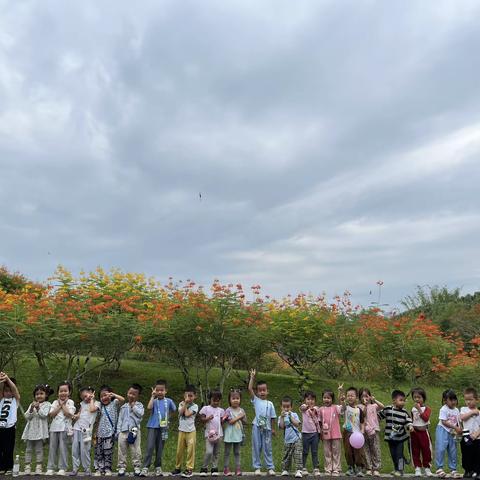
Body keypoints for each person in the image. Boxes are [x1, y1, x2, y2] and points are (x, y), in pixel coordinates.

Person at [141, 379, 176, 477]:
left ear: (166, 391)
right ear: (155, 391)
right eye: (157, 390)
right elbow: (148, 407)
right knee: (150, 447)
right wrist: (152, 396)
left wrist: (168, 418)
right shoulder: (154, 401)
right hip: (152, 426)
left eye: (162, 390)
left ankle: (158, 466)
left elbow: (174, 409)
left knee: (160, 448)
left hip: (163, 427)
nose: (160, 392)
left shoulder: (169, 401)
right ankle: (145, 467)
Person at [378, 390, 414, 477]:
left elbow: (409, 421)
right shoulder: (388, 409)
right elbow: (379, 416)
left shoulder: (404, 412)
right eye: (401, 400)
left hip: (400, 437)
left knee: (399, 454)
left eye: (404, 400)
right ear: (394, 401)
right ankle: (396, 468)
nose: (403, 402)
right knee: (393, 454)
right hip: (390, 437)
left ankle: (400, 470)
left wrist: (410, 426)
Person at [248, 369, 276, 476]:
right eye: (260, 390)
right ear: (257, 392)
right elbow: (250, 389)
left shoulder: (270, 403)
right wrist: (252, 377)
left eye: (264, 390)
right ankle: (257, 467)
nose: (262, 392)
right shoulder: (256, 400)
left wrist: (273, 429)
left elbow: (273, 417)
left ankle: (270, 467)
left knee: (267, 448)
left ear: (267, 391)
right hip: (256, 427)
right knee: (256, 446)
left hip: (267, 429)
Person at [22, 384, 53, 475]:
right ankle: (27, 466)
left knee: (39, 449)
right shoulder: (32, 404)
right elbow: (27, 417)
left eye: (41, 393)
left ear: (46, 395)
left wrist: (38, 407)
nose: (39, 396)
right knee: (28, 449)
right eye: (37, 394)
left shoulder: (47, 404)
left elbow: (44, 415)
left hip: (40, 431)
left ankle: (38, 467)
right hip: (30, 431)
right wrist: (31, 408)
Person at [94, 385, 124, 476]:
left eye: (106, 395)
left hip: (109, 433)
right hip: (100, 434)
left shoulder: (114, 403)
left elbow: (122, 399)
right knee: (99, 452)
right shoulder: (100, 406)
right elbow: (97, 420)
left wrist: (113, 394)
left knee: (108, 452)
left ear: (110, 395)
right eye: (101, 396)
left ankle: (107, 468)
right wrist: (95, 433)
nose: (104, 398)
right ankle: (99, 468)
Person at [46, 381, 76, 476]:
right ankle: (50, 467)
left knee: (63, 449)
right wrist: (59, 405)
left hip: (65, 428)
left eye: (65, 391)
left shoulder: (70, 402)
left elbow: (69, 414)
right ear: (58, 392)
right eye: (61, 391)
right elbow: (51, 414)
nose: (63, 393)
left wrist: (63, 405)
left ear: (69, 392)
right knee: (52, 448)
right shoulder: (54, 402)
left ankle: (62, 468)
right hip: (54, 428)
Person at [71, 386, 100, 475]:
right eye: (83, 397)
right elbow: (79, 413)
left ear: (92, 393)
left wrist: (92, 399)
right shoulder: (82, 404)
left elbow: (92, 410)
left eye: (87, 395)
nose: (85, 398)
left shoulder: (97, 403)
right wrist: (75, 416)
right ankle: (75, 469)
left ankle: (87, 469)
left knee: (85, 451)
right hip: (77, 428)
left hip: (87, 431)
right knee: (75, 450)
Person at [117, 383, 144, 477]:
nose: (131, 395)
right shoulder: (123, 406)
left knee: (135, 449)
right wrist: (118, 431)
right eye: (130, 393)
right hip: (123, 430)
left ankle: (137, 466)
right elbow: (120, 419)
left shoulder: (139, 405)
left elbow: (140, 415)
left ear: (138, 396)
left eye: (134, 394)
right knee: (121, 450)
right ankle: (121, 466)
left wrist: (133, 406)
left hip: (134, 430)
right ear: (127, 393)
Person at [172, 385, 198, 478]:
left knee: (190, 450)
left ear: (195, 396)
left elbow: (187, 414)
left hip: (191, 431)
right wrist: (185, 404)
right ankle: (177, 467)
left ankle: (189, 468)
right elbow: (180, 412)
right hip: (181, 431)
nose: (188, 398)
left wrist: (186, 404)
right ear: (184, 395)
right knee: (179, 451)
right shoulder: (181, 404)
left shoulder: (195, 406)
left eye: (191, 396)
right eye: (187, 396)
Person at [435, 389, 462, 478]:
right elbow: (444, 422)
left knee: (453, 450)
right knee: (441, 448)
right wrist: (455, 427)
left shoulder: (457, 410)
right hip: (442, 430)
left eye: (454, 399)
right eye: (450, 400)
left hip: (452, 432)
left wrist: (459, 428)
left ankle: (453, 469)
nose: (453, 402)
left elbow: (458, 421)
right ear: (445, 400)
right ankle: (439, 468)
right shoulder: (443, 409)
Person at [340, 386, 366, 476]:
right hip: (347, 432)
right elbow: (342, 406)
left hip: (357, 434)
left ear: (357, 398)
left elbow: (362, 422)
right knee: (348, 451)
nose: (350, 397)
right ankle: (350, 467)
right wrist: (341, 394)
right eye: (348, 396)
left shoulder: (359, 410)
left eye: (352, 395)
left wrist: (362, 430)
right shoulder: (346, 408)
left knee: (358, 452)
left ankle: (359, 468)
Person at [199, 390, 225, 476]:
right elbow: (201, 419)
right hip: (209, 435)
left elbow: (221, 421)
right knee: (209, 452)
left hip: (219, 435)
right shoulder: (206, 408)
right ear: (210, 399)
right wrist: (207, 418)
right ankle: (204, 468)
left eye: (218, 400)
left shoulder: (221, 410)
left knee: (216, 452)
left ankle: (214, 468)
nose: (216, 402)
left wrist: (224, 419)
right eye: (214, 400)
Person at [359, 388, 384, 476]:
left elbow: (382, 406)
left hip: (374, 430)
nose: (365, 398)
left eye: (366, 396)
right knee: (366, 449)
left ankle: (376, 468)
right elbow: (363, 414)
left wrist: (374, 400)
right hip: (364, 430)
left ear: (370, 396)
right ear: (360, 398)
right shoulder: (360, 407)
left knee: (375, 449)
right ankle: (368, 468)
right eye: (362, 396)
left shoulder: (374, 406)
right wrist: (365, 405)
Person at [222, 389, 247, 476]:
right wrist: (239, 417)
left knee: (237, 452)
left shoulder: (242, 410)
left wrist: (243, 417)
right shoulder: (228, 410)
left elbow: (245, 421)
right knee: (227, 452)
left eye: (237, 398)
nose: (236, 400)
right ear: (229, 400)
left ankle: (238, 468)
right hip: (229, 434)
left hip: (238, 434)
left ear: (240, 399)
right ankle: (226, 468)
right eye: (233, 398)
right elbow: (230, 421)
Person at [0, 372, 20, 475]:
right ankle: (1, 467)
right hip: (0, 427)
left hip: (10, 427)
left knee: (8, 448)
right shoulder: (1, 399)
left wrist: (7, 379)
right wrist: (2, 380)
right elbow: (1, 389)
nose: (8, 393)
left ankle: (8, 467)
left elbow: (15, 390)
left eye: (10, 391)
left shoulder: (15, 400)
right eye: (6, 391)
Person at [410, 387, 433, 477]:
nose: (417, 399)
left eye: (419, 397)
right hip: (414, 433)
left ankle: (427, 467)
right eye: (415, 397)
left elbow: (426, 418)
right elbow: (411, 420)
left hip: (423, 432)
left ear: (423, 398)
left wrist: (419, 409)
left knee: (426, 450)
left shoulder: (427, 409)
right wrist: (410, 426)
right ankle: (417, 468)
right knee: (415, 450)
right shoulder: (412, 409)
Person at [319, 389, 343, 477]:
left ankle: (336, 469)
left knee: (336, 452)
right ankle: (328, 469)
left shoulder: (336, 407)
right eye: (324, 397)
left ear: (332, 399)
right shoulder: (321, 409)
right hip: (325, 434)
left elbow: (342, 408)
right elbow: (319, 422)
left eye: (328, 398)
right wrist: (320, 432)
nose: (326, 399)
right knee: (327, 452)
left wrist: (340, 394)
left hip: (336, 434)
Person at [278, 396, 303, 478]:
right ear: (281, 407)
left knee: (297, 454)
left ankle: (298, 470)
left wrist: (290, 416)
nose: (286, 408)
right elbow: (281, 427)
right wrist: (282, 417)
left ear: (291, 407)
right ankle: (285, 469)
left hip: (296, 438)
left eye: (288, 407)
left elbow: (297, 424)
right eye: (284, 407)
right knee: (287, 455)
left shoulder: (294, 414)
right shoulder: (280, 417)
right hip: (287, 439)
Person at [459, 388, 480, 479]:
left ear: (477, 399)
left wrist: (477, 434)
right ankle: (468, 470)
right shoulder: (464, 409)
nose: (468, 402)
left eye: (470, 399)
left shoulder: (479, 412)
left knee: (477, 455)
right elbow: (462, 418)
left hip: (477, 437)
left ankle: (477, 471)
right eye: (466, 400)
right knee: (467, 454)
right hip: (467, 437)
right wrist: (472, 412)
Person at [299, 391, 321, 475]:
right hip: (305, 433)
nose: (310, 401)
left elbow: (317, 412)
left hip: (315, 434)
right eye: (308, 399)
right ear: (305, 400)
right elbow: (302, 408)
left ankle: (316, 468)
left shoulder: (316, 408)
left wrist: (313, 409)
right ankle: (303, 467)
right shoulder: (303, 408)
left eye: (312, 399)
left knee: (314, 451)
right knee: (305, 451)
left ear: (315, 400)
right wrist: (307, 406)